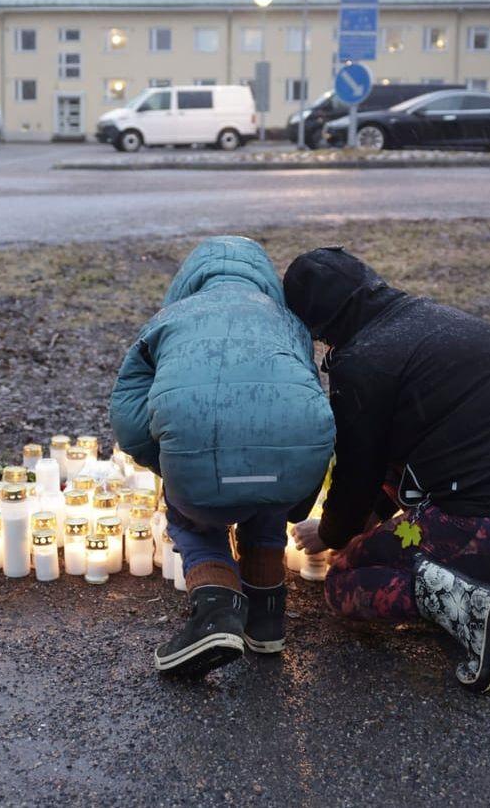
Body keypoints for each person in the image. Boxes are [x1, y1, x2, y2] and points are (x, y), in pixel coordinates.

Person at [282, 247, 490, 693]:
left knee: (345, 581)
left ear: (315, 323)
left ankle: (470, 608)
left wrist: (335, 534)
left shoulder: (363, 360)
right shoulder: (440, 319)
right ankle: (463, 589)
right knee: (388, 531)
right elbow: (388, 467)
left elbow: (358, 473)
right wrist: (365, 522)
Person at [111, 236, 335, 678]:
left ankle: (216, 612)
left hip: (200, 475)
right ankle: (267, 619)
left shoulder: (167, 320)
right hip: (289, 476)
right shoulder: (290, 323)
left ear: (189, 280)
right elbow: (305, 401)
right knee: (265, 497)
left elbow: (128, 417)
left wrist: (170, 466)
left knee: (193, 519)